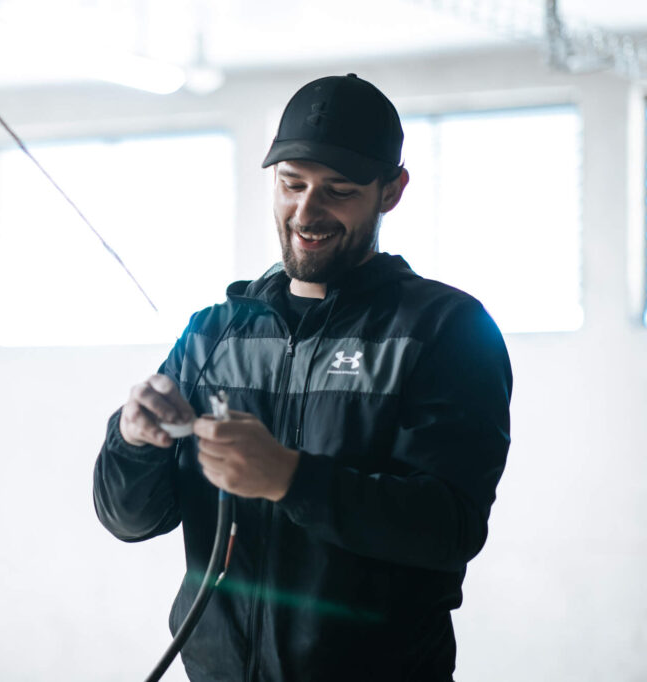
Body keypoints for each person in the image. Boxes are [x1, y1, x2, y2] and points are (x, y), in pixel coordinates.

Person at [92, 73, 512, 681]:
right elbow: (129, 519)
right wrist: (135, 442)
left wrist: (291, 479)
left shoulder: (447, 329)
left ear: (391, 191)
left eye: (338, 190)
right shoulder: (214, 333)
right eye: (291, 185)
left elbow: (449, 528)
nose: (306, 212)